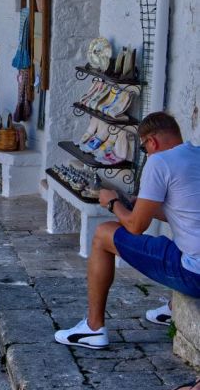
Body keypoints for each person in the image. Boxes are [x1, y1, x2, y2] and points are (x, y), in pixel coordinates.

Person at [54, 112, 200, 350]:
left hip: (194, 275)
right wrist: (140, 204)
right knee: (175, 240)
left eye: (144, 148)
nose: (147, 154)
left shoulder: (159, 162)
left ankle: (93, 328)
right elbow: (184, 213)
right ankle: (173, 309)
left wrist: (112, 203)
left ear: (152, 141)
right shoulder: (195, 154)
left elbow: (135, 226)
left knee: (103, 234)